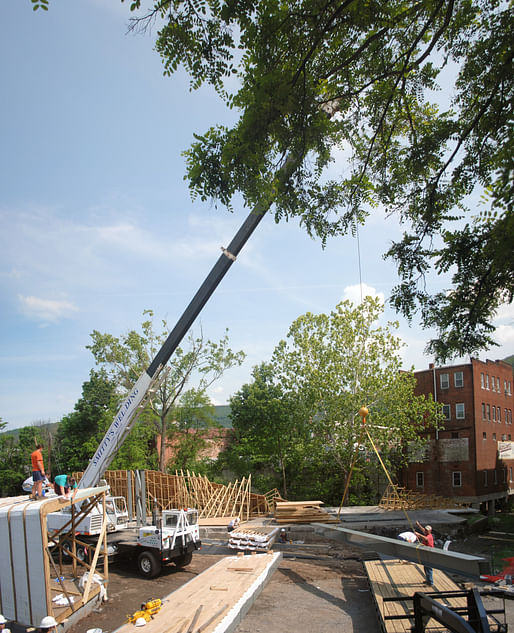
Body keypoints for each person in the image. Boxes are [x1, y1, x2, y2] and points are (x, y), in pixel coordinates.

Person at [414, 521, 435, 586]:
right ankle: (428, 580)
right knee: (426, 567)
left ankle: (430, 583)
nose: (425, 531)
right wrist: (418, 525)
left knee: (428, 568)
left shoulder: (429, 536)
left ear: (430, 531)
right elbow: (422, 530)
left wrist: (418, 535)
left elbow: (425, 539)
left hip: (429, 554)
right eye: (425, 530)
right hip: (425, 553)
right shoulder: (426, 533)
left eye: (427, 530)